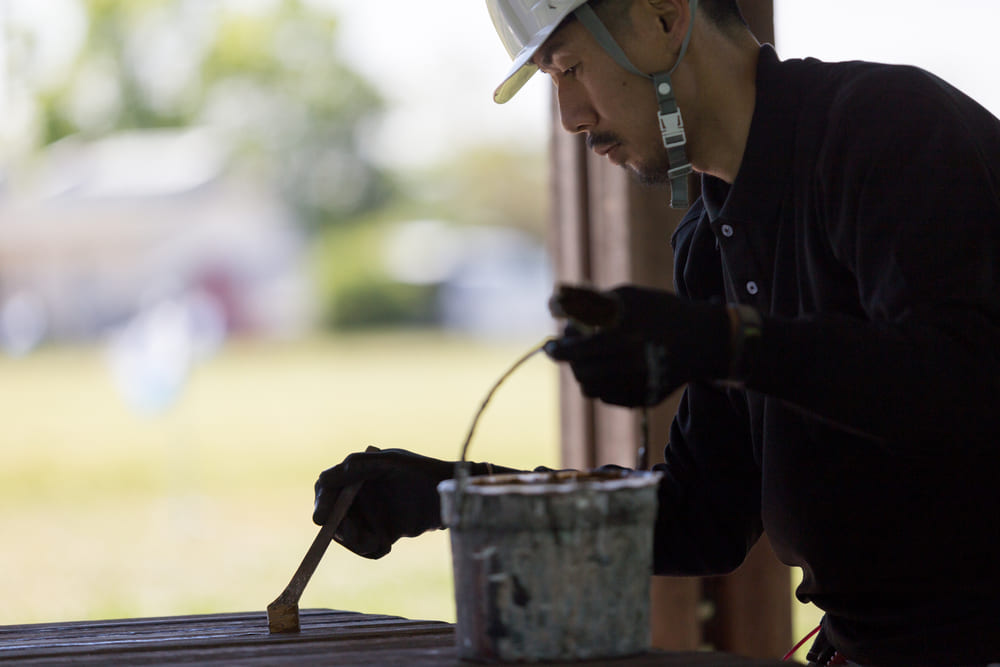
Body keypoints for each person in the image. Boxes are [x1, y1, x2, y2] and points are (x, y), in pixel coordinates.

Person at [312, 1, 1000, 664]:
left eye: (569, 69)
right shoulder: (707, 241)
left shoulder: (888, 129)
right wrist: (461, 493)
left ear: (664, 16)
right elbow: (702, 515)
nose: (572, 118)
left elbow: (965, 382)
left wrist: (731, 342)